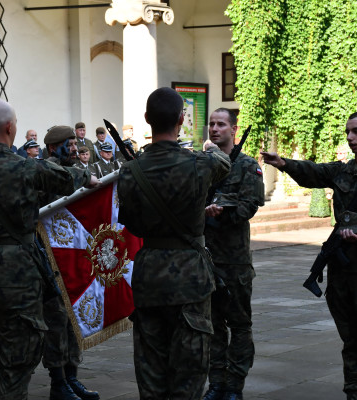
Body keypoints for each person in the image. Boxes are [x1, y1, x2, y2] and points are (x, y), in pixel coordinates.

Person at [0, 99, 98, 399]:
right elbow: (70, 178)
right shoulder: (26, 168)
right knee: (17, 360)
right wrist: (89, 177)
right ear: (9, 127)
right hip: (16, 276)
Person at [261, 111, 357, 400]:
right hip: (341, 272)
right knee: (350, 341)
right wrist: (285, 164)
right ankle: (354, 394)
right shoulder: (342, 171)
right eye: (348, 132)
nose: (350, 137)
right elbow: (313, 173)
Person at [117, 87, 230, 399]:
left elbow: (131, 222)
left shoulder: (130, 171)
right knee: (190, 377)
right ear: (182, 119)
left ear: (146, 120)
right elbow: (224, 161)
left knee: (151, 373)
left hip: (150, 275)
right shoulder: (200, 164)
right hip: (190, 279)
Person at [202, 108, 264, 400]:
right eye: (211, 124)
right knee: (212, 326)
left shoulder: (248, 166)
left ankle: (234, 385)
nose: (215, 129)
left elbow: (249, 205)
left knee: (239, 325)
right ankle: (216, 383)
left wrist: (219, 211)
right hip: (206, 259)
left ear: (233, 129)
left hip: (235, 260)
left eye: (221, 124)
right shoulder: (202, 165)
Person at [42, 125, 101, 400]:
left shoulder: (74, 169)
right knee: (56, 321)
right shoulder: (48, 169)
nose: (76, 150)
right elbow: (70, 179)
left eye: (76, 145)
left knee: (72, 320)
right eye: (70, 145)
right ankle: (58, 382)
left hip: (73, 257)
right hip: (51, 261)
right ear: (54, 147)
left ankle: (72, 376)